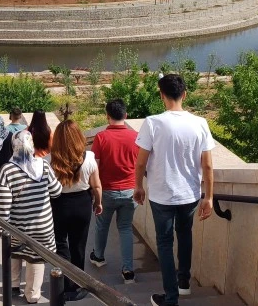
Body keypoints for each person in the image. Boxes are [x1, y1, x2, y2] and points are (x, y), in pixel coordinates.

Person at [134, 74, 214, 306]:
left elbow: (140, 162)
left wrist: (138, 186)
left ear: (161, 95)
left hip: (162, 195)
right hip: (189, 194)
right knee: (185, 235)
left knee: (165, 243)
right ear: (184, 94)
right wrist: (208, 197)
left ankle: (170, 298)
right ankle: (184, 283)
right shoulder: (200, 123)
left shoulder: (153, 122)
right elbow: (207, 164)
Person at [0, 130, 62, 304]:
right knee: (36, 257)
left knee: (15, 250)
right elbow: (56, 191)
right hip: (44, 226)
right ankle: (32, 294)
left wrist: (3, 229)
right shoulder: (43, 165)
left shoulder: (7, 170)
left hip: (19, 226)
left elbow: (3, 206)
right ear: (31, 145)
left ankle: (13, 284)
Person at [49, 119, 103, 301]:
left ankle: (63, 282)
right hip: (82, 204)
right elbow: (96, 186)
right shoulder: (89, 157)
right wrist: (98, 203)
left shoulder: (51, 160)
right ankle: (78, 284)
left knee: (61, 245)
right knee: (78, 245)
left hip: (58, 204)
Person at [90, 99, 139, 284]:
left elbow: (95, 166)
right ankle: (128, 270)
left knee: (102, 225)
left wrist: (96, 195)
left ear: (107, 117)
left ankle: (99, 257)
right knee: (125, 228)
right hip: (130, 190)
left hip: (107, 191)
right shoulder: (136, 137)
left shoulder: (101, 137)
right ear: (126, 116)